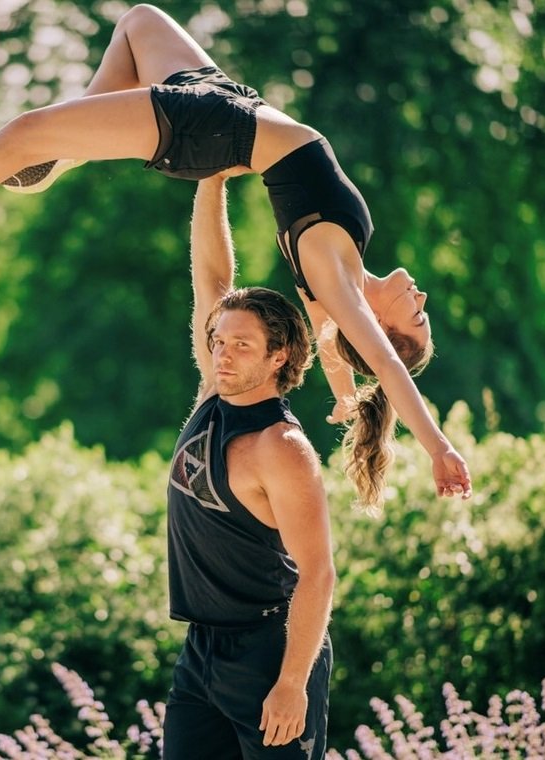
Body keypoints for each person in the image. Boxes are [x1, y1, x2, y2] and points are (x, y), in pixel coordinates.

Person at [0, 3, 472, 510]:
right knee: (139, 23)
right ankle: (59, 157)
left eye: (417, 316)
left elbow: (381, 363)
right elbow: (337, 348)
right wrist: (346, 396)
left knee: (24, 131)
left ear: (379, 326)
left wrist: (436, 446)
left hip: (217, 132)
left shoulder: (333, 273)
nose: (422, 299)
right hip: (233, 107)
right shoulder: (337, 283)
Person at [163, 172, 333, 758]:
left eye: (242, 345)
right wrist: (211, 179)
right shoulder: (214, 393)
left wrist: (292, 683)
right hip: (201, 651)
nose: (223, 354)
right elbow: (212, 277)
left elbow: (318, 572)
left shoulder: (281, 448)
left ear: (278, 355)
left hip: (271, 652)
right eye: (219, 341)